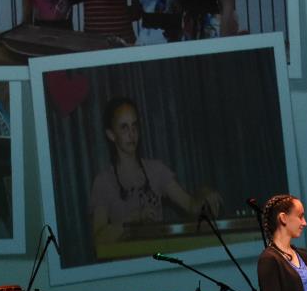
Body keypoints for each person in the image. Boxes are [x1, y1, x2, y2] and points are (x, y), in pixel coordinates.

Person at [89, 96, 220, 248]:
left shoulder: (156, 170)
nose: (132, 134)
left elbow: (191, 205)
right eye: (124, 127)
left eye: (135, 125)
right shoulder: (103, 181)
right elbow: (99, 239)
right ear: (111, 134)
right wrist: (133, 219)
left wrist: (204, 194)